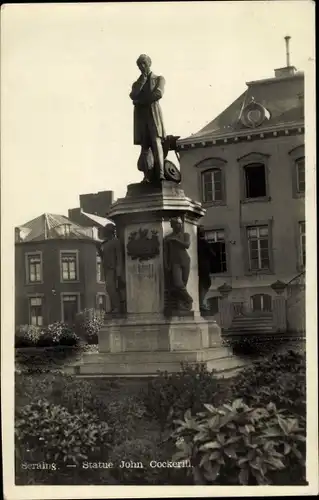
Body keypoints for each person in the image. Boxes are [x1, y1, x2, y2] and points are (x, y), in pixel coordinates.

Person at [129, 54, 166, 184]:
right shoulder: (137, 83)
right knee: (145, 147)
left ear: (149, 64)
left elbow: (158, 93)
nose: (142, 67)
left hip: (153, 115)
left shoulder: (159, 79)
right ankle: (147, 175)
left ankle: (161, 173)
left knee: (156, 143)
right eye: (139, 65)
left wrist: (141, 101)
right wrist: (142, 81)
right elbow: (133, 95)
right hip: (141, 118)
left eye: (144, 64)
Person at [164, 217, 193, 311]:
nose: (180, 226)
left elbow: (187, 245)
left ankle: (181, 304)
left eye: (180, 224)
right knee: (178, 284)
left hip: (185, 260)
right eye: (177, 224)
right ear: (172, 225)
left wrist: (176, 240)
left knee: (183, 284)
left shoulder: (185, 235)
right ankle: (189, 299)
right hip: (174, 262)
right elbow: (165, 253)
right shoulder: (167, 238)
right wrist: (166, 264)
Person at [96, 223, 125, 314]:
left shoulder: (115, 241)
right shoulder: (106, 243)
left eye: (106, 231)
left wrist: (119, 272)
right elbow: (103, 257)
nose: (104, 233)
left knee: (112, 288)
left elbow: (119, 257)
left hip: (113, 269)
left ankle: (117, 307)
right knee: (109, 289)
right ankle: (113, 307)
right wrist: (99, 250)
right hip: (107, 269)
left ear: (110, 232)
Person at [197, 226, 215, 312]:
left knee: (203, 284)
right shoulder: (203, 243)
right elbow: (212, 254)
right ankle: (201, 302)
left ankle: (201, 302)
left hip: (200, 266)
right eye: (202, 231)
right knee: (205, 284)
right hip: (204, 266)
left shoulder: (196, 242)